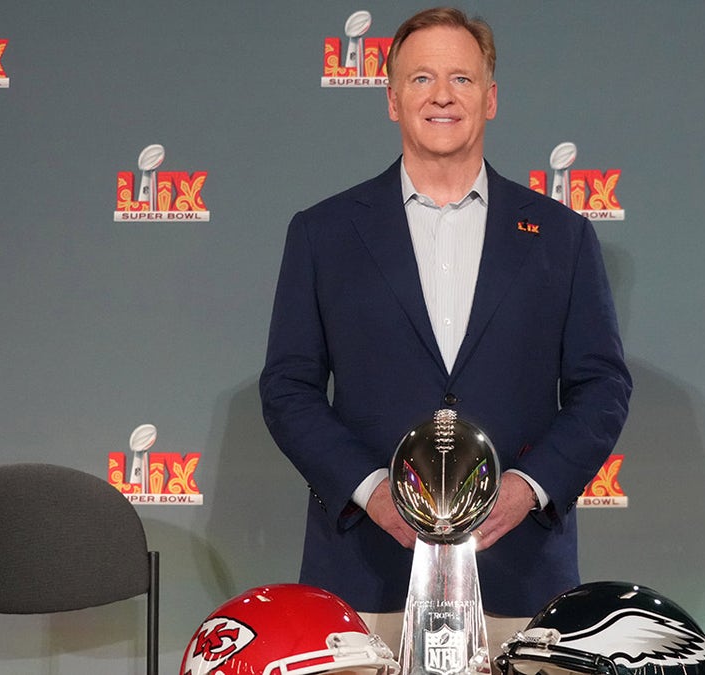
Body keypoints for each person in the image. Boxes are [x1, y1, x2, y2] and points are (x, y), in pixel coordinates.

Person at [259, 5, 631, 646]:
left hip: (518, 577)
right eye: (421, 78)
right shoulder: (323, 233)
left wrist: (527, 489)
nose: (441, 96)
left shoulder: (562, 236)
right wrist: (374, 493)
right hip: (364, 579)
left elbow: (602, 389)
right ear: (392, 99)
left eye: (461, 79)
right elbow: (288, 390)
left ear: (491, 99)